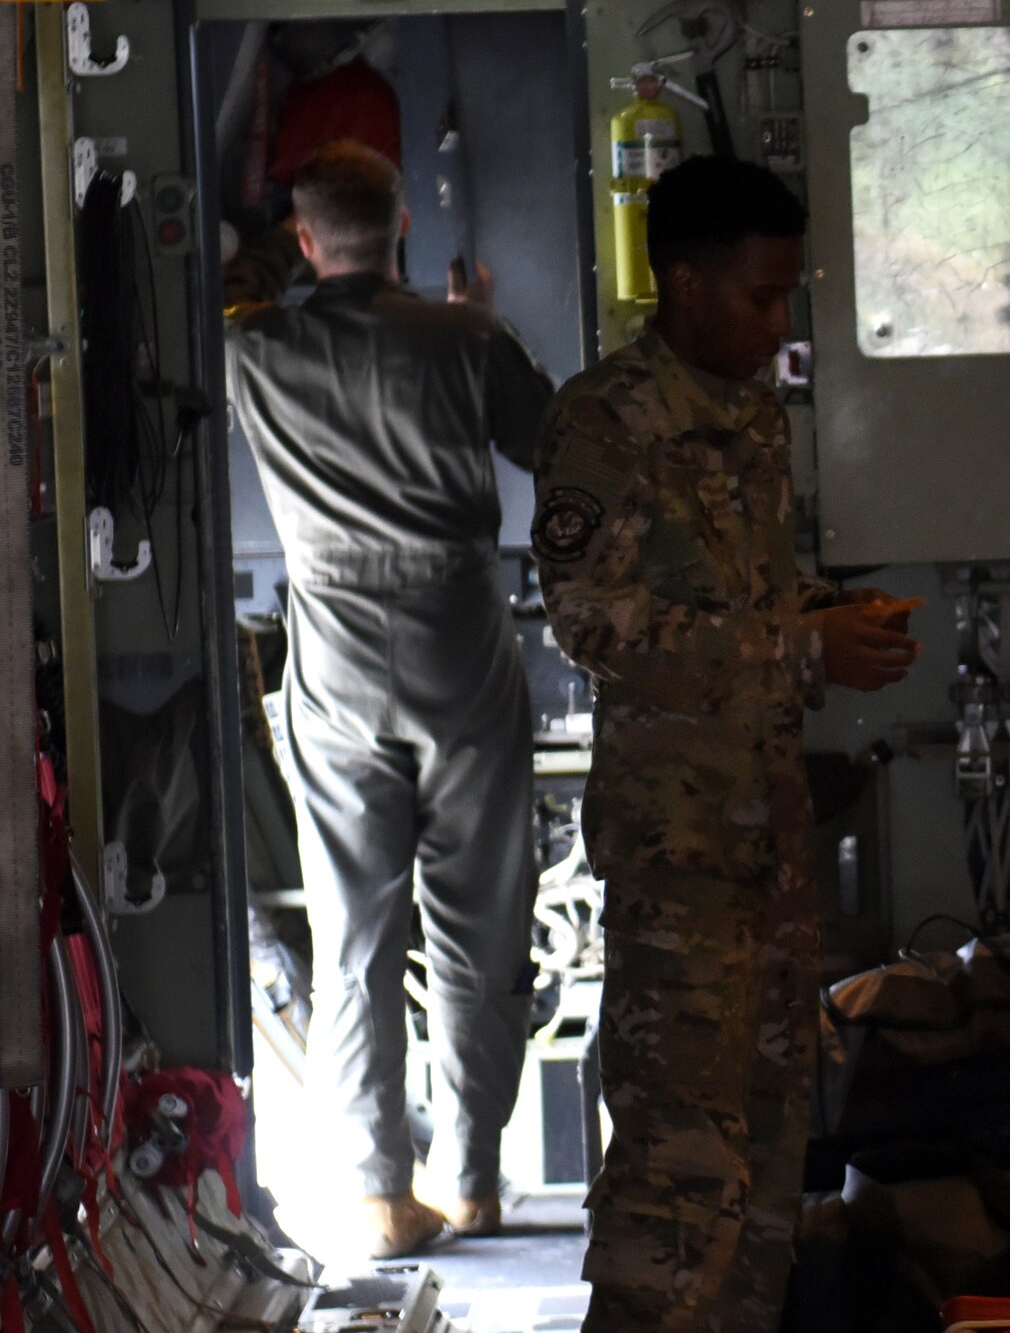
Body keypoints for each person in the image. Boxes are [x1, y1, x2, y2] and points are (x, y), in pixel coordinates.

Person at [531, 155, 918, 1332]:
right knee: (675, 1176)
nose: (777, 321)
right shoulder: (605, 423)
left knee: (761, 1162)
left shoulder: (749, 414)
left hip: (769, 845)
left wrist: (816, 612)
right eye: (758, 297)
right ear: (684, 284)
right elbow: (595, 623)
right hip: (682, 853)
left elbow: (727, 594)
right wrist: (802, 652)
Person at [226, 140, 553, 1259]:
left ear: (308, 240)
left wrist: (284, 251)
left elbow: (234, 280)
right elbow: (553, 441)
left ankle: (372, 1190)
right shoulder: (465, 335)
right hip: (462, 636)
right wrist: (466, 326)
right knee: (481, 918)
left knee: (354, 930)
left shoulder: (254, 346)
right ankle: (471, 1178)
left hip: (337, 650)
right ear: (405, 220)